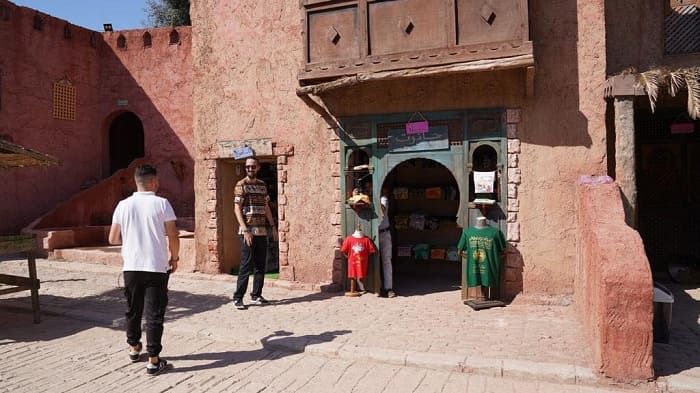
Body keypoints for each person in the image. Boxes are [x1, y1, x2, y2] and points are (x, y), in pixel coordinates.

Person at [108, 164, 179, 376]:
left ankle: (133, 348)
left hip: (131, 266)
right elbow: (173, 236)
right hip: (156, 266)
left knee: (133, 309)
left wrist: (132, 238)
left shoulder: (122, 205)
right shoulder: (162, 204)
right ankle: (154, 360)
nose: (158, 183)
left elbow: (112, 239)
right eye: (157, 180)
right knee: (154, 313)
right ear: (152, 181)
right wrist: (174, 258)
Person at [233, 157, 277, 310]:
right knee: (246, 265)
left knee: (260, 264)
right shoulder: (241, 185)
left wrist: (273, 227)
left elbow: (266, 207)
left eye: (252, 167)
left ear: (258, 168)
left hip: (262, 231)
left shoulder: (262, 185)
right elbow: (237, 208)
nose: (250, 169)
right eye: (247, 167)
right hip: (248, 232)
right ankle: (238, 297)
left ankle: (256, 295)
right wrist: (245, 230)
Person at [379, 187, 396, 298]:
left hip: (384, 233)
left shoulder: (383, 199)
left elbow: (382, 210)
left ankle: (388, 288)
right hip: (374, 233)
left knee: (386, 260)